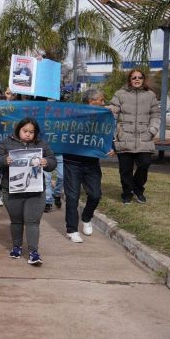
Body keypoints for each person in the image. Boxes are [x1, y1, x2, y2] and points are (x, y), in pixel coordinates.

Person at [0, 118, 56, 266]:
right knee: (16, 221)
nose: (28, 134)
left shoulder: (41, 144)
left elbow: (52, 161)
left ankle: (34, 252)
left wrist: (46, 162)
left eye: (31, 132)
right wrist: (4, 160)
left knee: (32, 222)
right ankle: (17, 247)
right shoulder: (6, 143)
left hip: (35, 191)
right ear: (18, 130)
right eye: (25, 131)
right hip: (12, 190)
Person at [62, 89, 116, 243]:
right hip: (72, 163)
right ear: (91, 101)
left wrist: (111, 148)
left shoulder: (103, 117)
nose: (104, 103)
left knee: (95, 195)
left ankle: (86, 218)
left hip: (91, 163)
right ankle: (71, 229)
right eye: (101, 100)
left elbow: (107, 136)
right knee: (72, 197)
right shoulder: (73, 115)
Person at [109, 69, 160, 205]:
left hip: (144, 138)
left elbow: (155, 115)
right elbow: (111, 115)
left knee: (144, 164)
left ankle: (138, 189)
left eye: (140, 77)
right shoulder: (119, 94)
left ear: (143, 79)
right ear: (129, 80)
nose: (137, 80)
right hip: (124, 137)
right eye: (134, 78)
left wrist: (152, 130)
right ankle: (127, 193)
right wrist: (115, 135)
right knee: (125, 170)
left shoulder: (151, 95)